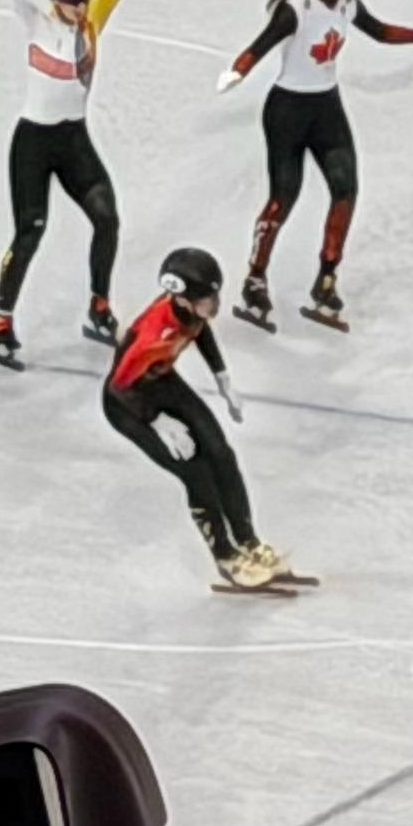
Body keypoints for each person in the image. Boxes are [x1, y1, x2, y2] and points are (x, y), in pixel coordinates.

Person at [216, 0, 413, 332]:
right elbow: (259, 46)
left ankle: (326, 279)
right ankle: (254, 279)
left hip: (326, 107)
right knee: (284, 197)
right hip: (287, 111)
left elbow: (380, 31)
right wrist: (238, 70)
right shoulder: (298, 9)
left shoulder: (347, 5)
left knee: (345, 189)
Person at [0, 0, 163, 369]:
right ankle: (0, 322)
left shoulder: (93, 21)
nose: (82, 7)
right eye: (72, 1)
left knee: (107, 218)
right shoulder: (36, 22)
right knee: (31, 230)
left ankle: (99, 307)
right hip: (34, 143)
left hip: (73, 139)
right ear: (54, 1)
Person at [103, 248, 286, 590]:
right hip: (128, 402)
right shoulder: (154, 333)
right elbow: (118, 386)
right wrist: (157, 421)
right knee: (196, 470)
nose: (214, 304)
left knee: (221, 453)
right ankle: (226, 557)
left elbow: (200, 330)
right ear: (185, 300)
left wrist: (223, 378)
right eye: (208, 298)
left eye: (215, 294)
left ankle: (248, 541)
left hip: (161, 380)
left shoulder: (188, 309)